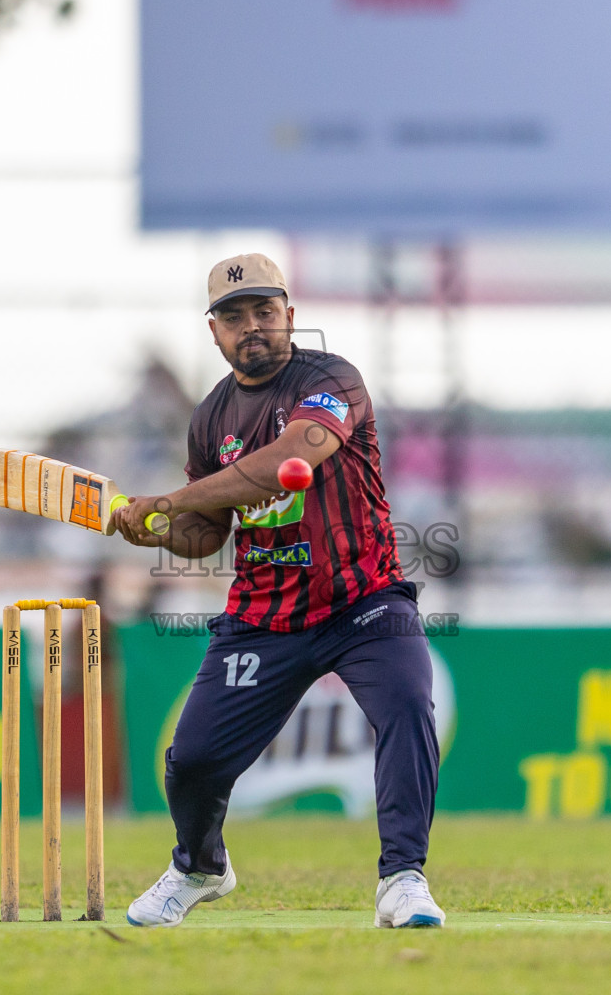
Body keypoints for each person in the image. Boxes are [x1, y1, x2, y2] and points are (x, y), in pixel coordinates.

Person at [109, 253, 444, 929]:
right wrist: (159, 529)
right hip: (265, 616)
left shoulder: (332, 378)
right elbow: (208, 534)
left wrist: (166, 500)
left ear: (290, 316)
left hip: (364, 598)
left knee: (408, 703)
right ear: (214, 332)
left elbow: (288, 458)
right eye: (235, 316)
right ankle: (199, 868)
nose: (252, 326)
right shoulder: (209, 420)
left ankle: (402, 879)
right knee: (193, 761)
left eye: (265, 312)